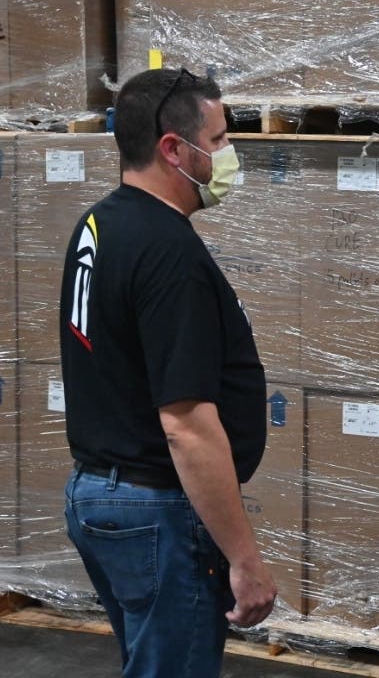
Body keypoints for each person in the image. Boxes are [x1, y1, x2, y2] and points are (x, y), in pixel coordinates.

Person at [60, 67, 277, 678]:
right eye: (219, 140)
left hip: (100, 494)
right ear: (173, 149)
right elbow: (185, 422)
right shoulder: (166, 252)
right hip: (154, 509)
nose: (228, 154)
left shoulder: (100, 225)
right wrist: (243, 558)